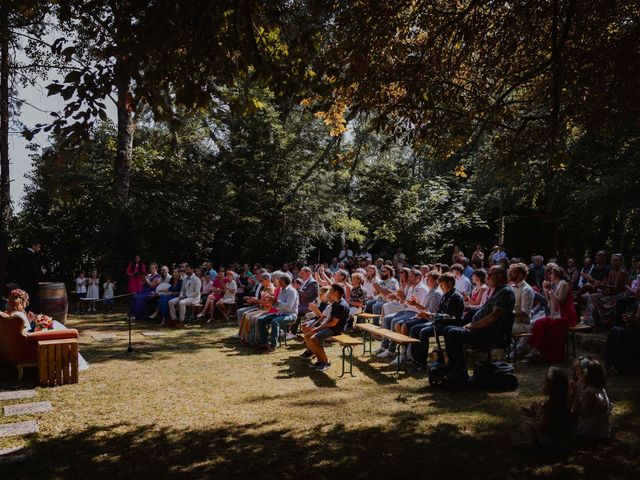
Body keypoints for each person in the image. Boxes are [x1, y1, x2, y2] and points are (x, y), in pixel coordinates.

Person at [443, 266, 515, 382]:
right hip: (482, 330)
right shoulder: (497, 291)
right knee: (448, 329)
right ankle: (453, 366)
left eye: (490, 274)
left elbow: (493, 316)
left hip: (490, 334)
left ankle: (460, 371)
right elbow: (484, 311)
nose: (487, 277)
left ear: (500, 276)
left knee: (453, 333)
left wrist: (473, 326)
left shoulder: (505, 292)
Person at [2, 288, 89, 370]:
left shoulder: (10, 313)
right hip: (32, 346)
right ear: (22, 301)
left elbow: (22, 332)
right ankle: (73, 354)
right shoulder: (19, 315)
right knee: (57, 327)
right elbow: (28, 335)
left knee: (53, 324)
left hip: (24, 345)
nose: (27, 302)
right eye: (26, 300)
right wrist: (38, 324)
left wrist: (34, 321)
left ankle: (72, 350)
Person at [511, 367, 576, 453]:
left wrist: (538, 412)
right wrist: (534, 413)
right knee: (529, 423)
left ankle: (532, 445)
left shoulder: (552, 406)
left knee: (527, 424)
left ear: (552, 387)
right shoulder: (564, 401)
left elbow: (542, 427)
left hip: (555, 444)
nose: (542, 385)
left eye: (544, 383)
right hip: (567, 442)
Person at [408, 272, 463, 370]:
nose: (441, 287)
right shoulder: (445, 295)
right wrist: (427, 314)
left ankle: (421, 363)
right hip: (438, 322)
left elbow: (451, 317)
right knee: (414, 329)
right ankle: (415, 359)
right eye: (440, 284)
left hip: (449, 325)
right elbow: (439, 311)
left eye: (442, 284)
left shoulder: (456, 296)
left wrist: (430, 315)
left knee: (424, 332)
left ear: (449, 283)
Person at [524, 266, 578, 363]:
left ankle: (545, 353)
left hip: (566, 315)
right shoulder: (555, 285)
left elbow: (560, 301)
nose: (549, 276)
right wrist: (545, 291)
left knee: (549, 325)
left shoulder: (563, 284)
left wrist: (549, 291)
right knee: (539, 323)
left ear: (557, 274)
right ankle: (536, 350)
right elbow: (550, 305)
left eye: (551, 274)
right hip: (556, 314)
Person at [376, 269, 429, 364]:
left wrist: (404, 299)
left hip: (414, 313)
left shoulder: (423, 289)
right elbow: (405, 304)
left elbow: (420, 307)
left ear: (418, 278)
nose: (410, 279)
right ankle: (386, 346)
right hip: (407, 311)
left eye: (411, 277)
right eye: (410, 276)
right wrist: (401, 298)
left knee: (394, 321)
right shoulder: (411, 288)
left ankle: (398, 352)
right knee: (386, 319)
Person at [301, 283, 350, 371]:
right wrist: (318, 327)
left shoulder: (342, 305)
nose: (329, 292)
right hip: (330, 327)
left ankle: (326, 362)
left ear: (336, 292)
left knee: (312, 339)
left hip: (336, 330)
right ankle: (320, 361)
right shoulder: (336, 303)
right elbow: (328, 319)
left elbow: (333, 323)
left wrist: (318, 329)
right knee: (307, 336)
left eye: (331, 290)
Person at [586, 253, 631, 331]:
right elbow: (608, 285)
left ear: (621, 262)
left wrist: (602, 286)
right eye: (612, 261)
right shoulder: (612, 271)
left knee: (598, 298)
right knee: (592, 297)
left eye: (616, 261)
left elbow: (617, 288)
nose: (613, 263)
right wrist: (601, 287)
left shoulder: (622, 272)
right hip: (612, 292)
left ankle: (602, 325)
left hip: (621, 294)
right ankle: (592, 323)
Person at [570, 358, 612, 440]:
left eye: (582, 374)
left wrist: (576, 394)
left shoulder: (590, 392)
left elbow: (583, 413)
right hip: (603, 429)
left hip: (591, 431)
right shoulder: (600, 389)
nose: (579, 376)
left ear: (588, 375)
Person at [257, 274, 299, 352]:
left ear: (285, 282)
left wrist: (276, 301)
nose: (278, 282)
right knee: (261, 320)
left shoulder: (292, 291)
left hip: (290, 315)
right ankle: (264, 343)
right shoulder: (281, 290)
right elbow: (277, 306)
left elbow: (289, 307)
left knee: (274, 321)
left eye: (280, 281)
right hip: (280, 313)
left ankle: (273, 346)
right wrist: (272, 301)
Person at [605, 289, 640, 375]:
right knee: (614, 330)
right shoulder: (637, 304)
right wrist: (630, 320)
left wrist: (633, 322)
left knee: (619, 333)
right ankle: (609, 363)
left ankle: (618, 366)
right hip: (635, 330)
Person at [287, 266, 319, 340]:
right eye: (300, 273)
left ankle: (292, 333)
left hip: (308, 306)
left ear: (308, 273)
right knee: (288, 309)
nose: (300, 275)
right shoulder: (304, 281)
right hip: (301, 305)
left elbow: (308, 294)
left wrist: (297, 289)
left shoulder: (313, 282)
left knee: (296, 312)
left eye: (302, 273)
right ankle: (286, 331)